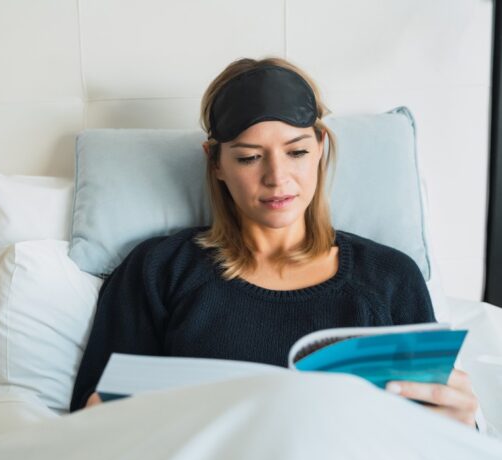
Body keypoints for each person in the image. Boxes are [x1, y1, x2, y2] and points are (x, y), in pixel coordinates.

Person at [69, 57, 479, 427]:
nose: (277, 177)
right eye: (249, 157)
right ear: (216, 163)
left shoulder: (390, 277)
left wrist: (460, 426)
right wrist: (100, 424)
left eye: (297, 152)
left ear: (321, 146)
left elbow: (433, 442)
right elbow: (87, 425)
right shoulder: (159, 270)